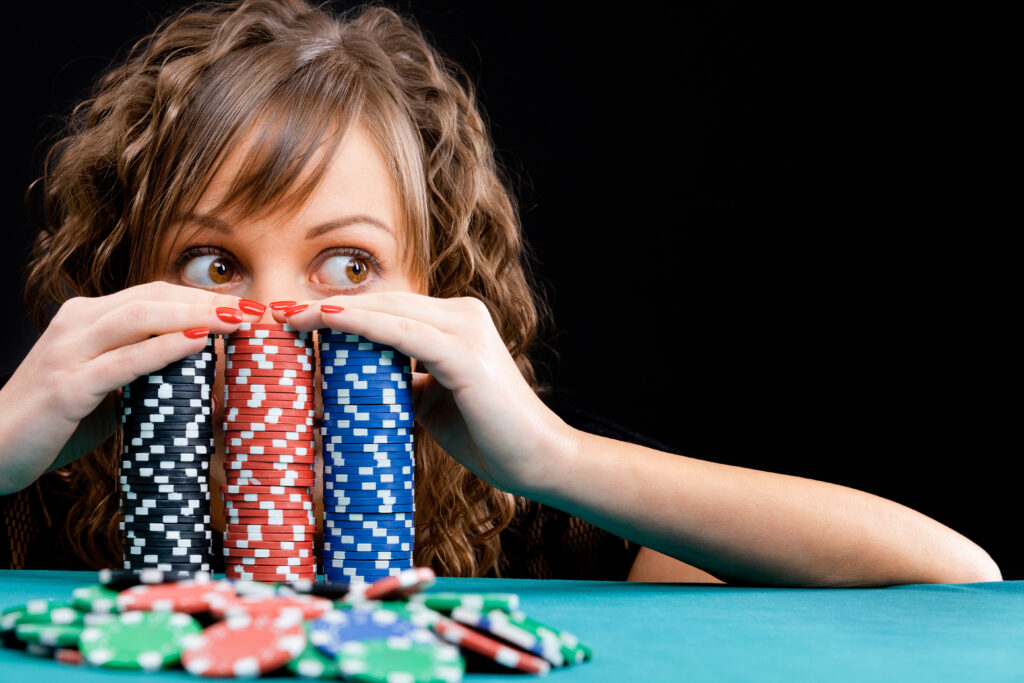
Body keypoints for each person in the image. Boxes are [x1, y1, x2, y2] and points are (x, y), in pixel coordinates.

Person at [0, 0, 1001, 585]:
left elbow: (949, 576)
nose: (274, 323)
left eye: (346, 265)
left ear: (432, 291)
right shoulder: (35, 491)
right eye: (214, 265)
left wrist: (554, 456)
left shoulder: (502, 504)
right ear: (122, 287)